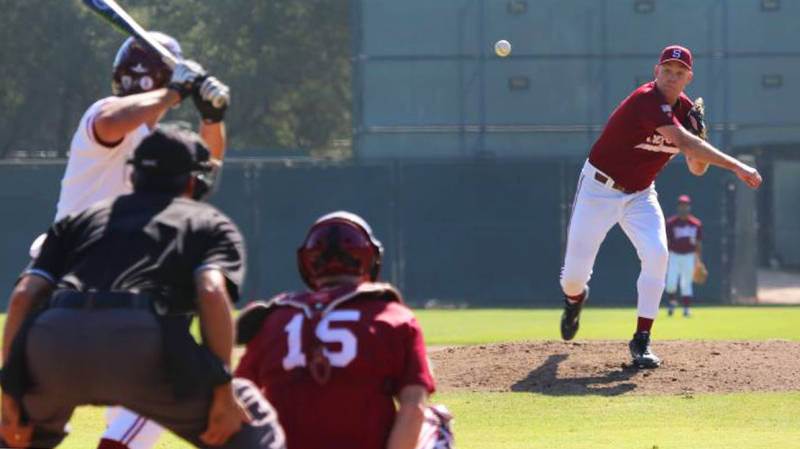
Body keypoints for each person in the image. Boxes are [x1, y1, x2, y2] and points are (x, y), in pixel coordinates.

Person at [0, 125, 285, 449]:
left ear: (132, 177)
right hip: (140, 342)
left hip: (54, 340)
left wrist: (12, 392)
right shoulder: (207, 222)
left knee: (17, 437)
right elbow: (210, 292)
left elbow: (24, 297)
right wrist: (222, 389)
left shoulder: (79, 221)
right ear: (193, 182)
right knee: (252, 428)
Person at [25, 31, 231, 449]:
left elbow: (208, 165)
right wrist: (175, 92)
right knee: (162, 393)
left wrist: (211, 117)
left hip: (73, 294)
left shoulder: (159, 144)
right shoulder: (106, 114)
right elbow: (111, 121)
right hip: (87, 286)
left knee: (37, 420)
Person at [558, 44, 762, 368]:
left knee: (658, 254)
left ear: (688, 78)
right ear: (656, 72)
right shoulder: (645, 100)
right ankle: (575, 299)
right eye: (666, 70)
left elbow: (696, 168)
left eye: (679, 72)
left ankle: (641, 340)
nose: (671, 76)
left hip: (640, 194)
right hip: (598, 189)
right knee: (572, 277)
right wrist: (737, 165)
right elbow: (682, 143)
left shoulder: (684, 113)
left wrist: (700, 139)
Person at [234, 211, 455, 449]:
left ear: (308, 263)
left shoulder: (273, 320)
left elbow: (235, 398)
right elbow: (413, 404)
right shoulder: (394, 317)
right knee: (435, 420)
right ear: (369, 258)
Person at [664, 194, 703, 317]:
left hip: (689, 256)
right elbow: (667, 242)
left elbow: (698, 243)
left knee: (686, 283)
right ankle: (672, 302)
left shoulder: (696, 224)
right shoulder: (670, 223)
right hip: (674, 255)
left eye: (685, 205)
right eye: (681, 205)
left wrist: (699, 261)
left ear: (689, 207)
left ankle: (686, 309)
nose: (683, 208)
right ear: (678, 207)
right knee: (670, 283)